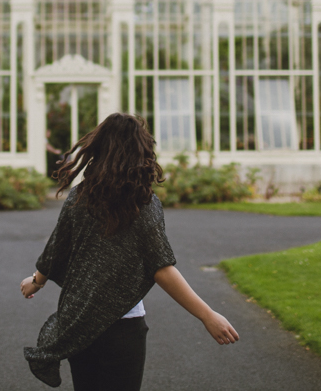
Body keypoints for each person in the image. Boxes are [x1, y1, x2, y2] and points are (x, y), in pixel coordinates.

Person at [20, 112, 238, 389]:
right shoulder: (144, 204)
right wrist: (207, 315)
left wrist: (36, 281)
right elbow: (161, 268)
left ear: (98, 149)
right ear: (141, 152)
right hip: (123, 329)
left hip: (78, 322)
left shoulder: (79, 197)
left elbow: (56, 249)